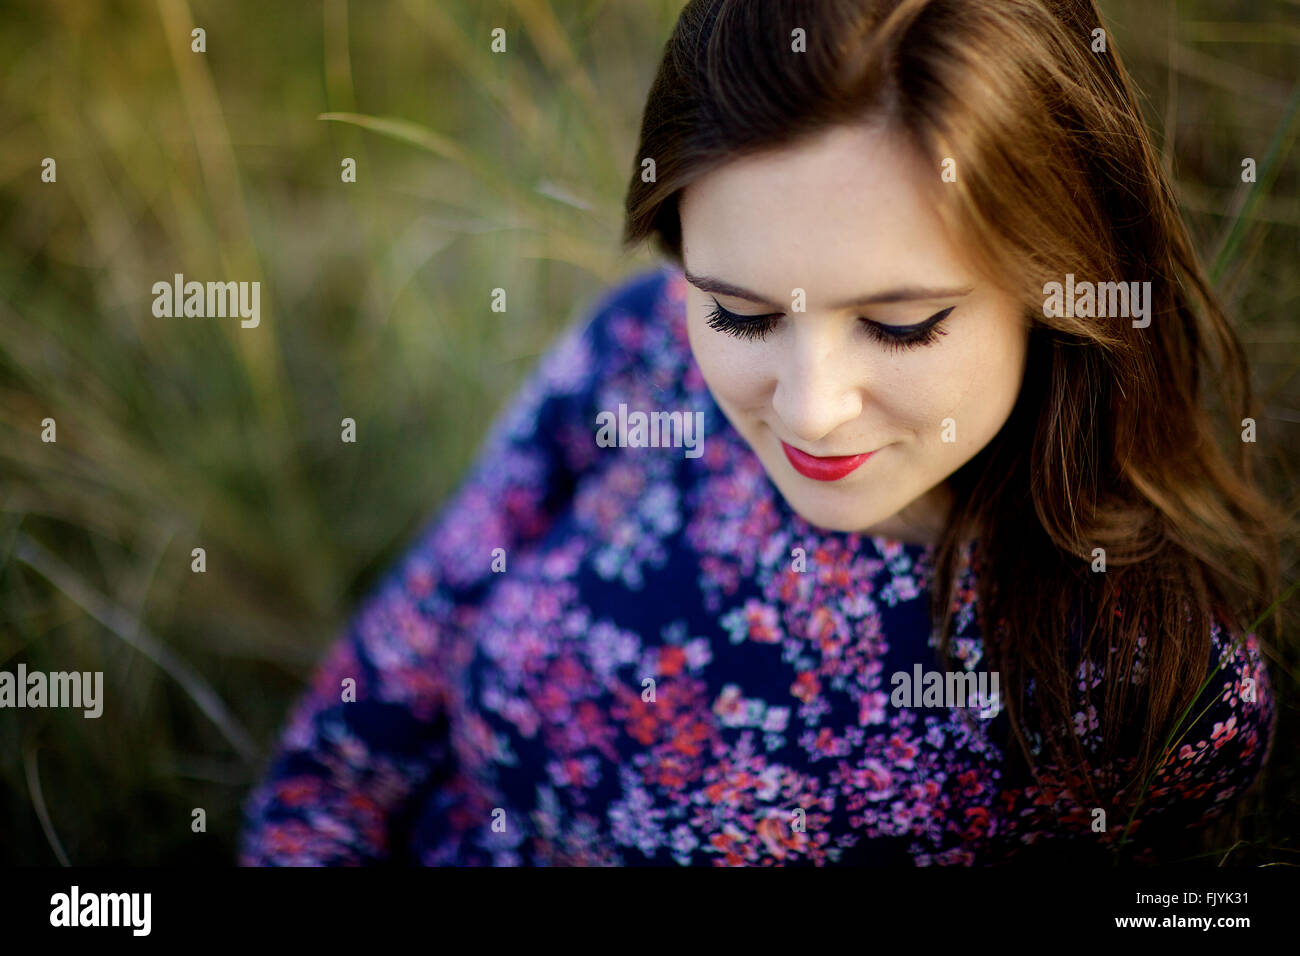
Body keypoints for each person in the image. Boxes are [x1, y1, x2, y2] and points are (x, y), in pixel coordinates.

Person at [240, 0, 1281, 866]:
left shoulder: (1154, 691)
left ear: (1059, 286)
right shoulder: (639, 353)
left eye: (899, 323)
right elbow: (365, 713)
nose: (808, 407)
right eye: (739, 313)